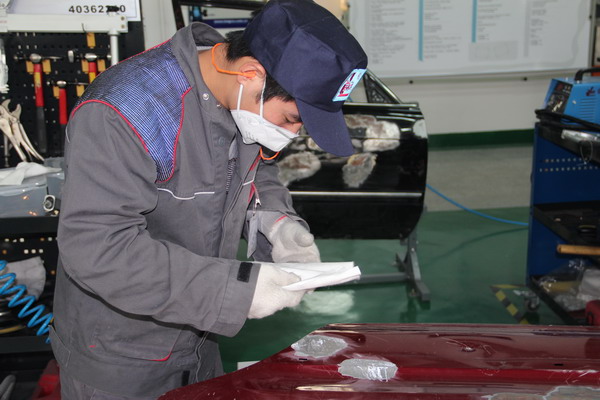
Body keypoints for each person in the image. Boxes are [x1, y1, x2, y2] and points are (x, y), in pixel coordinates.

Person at [50, 0, 368, 398]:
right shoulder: (125, 113)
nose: (293, 134)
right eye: (292, 119)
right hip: (120, 357)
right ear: (250, 74)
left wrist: (276, 222)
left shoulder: (235, 91)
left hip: (200, 340)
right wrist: (233, 291)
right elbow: (98, 248)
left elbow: (255, 168)